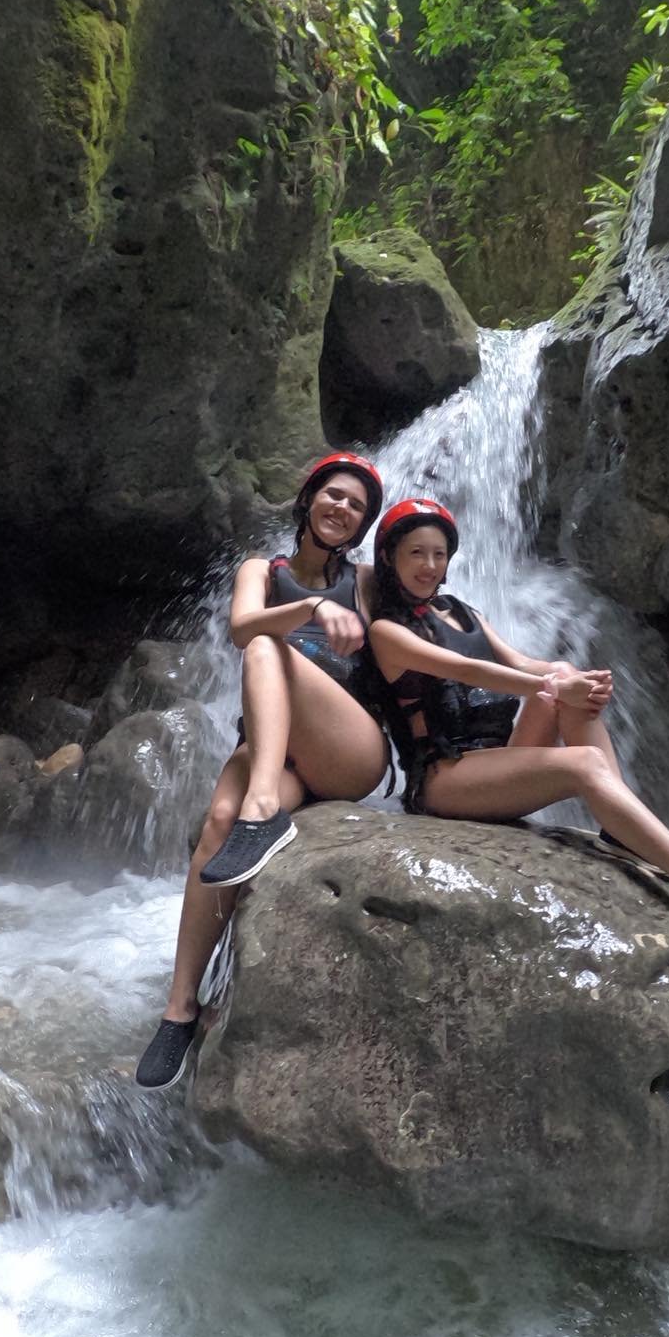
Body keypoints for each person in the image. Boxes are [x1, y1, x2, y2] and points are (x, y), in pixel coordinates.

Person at [367, 498, 669, 930]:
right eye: (416, 553)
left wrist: (579, 681)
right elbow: (468, 670)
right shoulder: (387, 632)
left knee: (563, 674)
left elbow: (521, 664)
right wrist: (556, 686)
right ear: (389, 557)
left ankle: (620, 829)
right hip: (444, 781)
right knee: (583, 758)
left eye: (439, 554)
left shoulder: (462, 612)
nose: (429, 565)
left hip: (496, 760)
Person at [135, 453, 391, 1089]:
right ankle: (180, 1009)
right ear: (308, 500)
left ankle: (262, 811)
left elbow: (425, 606)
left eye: (356, 506)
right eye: (334, 495)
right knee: (218, 822)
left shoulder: (364, 582)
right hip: (276, 754)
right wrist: (311, 610)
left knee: (265, 647)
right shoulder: (262, 570)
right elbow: (240, 624)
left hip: (349, 750)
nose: (342, 509)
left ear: (363, 525)